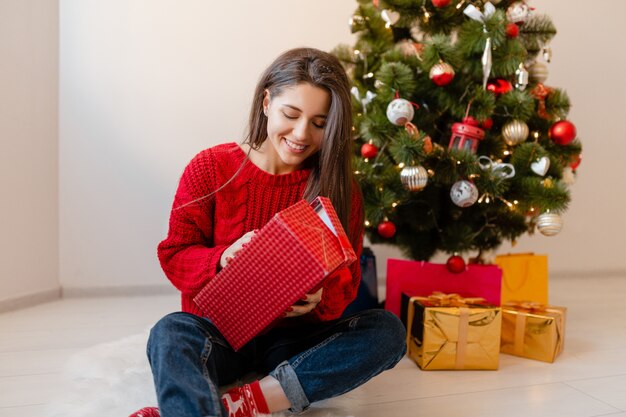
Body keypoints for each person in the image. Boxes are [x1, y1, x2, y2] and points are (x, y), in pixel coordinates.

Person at [130, 47, 406, 417]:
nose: (301, 134)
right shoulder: (211, 167)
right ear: (265, 102)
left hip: (293, 342)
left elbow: (348, 280)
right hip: (220, 336)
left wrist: (321, 297)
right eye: (290, 114)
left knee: (386, 331)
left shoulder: (338, 188)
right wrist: (223, 258)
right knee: (169, 334)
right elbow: (175, 254)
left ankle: (252, 401)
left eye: (320, 123)